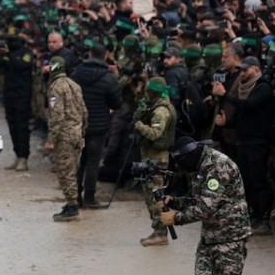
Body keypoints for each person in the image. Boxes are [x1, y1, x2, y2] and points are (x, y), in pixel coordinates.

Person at [159, 136, 250, 275]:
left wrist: (175, 218)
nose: (181, 169)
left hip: (231, 241)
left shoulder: (218, 166)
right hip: (209, 240)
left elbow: (206, 207)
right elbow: (198, 200)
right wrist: (174, 201)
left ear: (189, 157)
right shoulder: (201, 167)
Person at [213, 56, 275, 235]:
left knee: (258, 180)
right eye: (241, 70)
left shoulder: (263, 87)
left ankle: (264, 219)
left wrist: (225, 95)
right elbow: (242, 117)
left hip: (258, 142)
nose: (242, 73)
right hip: (245, 141)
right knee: (246, 180)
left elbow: (249, 105)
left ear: (256, 70)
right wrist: (226, 123)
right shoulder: (244, 89)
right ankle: (254, 215)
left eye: (246, 70)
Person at [70, 43, 121, 208]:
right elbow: (117, 103)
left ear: (90, 54)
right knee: (93, 162)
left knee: (79, 161)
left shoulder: (76, 74)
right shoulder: (108, 78)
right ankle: (89, 198)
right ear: (105, 56)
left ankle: (75, 196)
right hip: (99, 127)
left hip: (79, 125)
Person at [133, 76, 177, 246]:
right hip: (151, 157)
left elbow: (155, 134)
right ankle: (158, 230)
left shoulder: (161, 111)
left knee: (156, 197)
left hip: (157, 159)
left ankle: (161, 233)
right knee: (151, 196)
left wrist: (139, 126)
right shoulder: (155, 106)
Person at [44, 56, 88, 222]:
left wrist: (51, 139)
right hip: (76, 134)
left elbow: (57, 116)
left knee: (65, 172)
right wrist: (82, 133)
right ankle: (72, 202)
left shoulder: (55, 87)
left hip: (64, 136)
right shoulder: (74, 85)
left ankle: (72, 207)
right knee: (73, 170)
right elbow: (84, 111)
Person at [0, 33, 35, 171]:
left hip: (22, 94)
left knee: (22, 126)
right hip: (9, 93)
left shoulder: (26, 53)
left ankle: (24, 157)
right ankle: (17, 155)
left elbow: (21, 65)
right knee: (12, 126)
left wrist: (9, 54)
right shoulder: (7, 54)